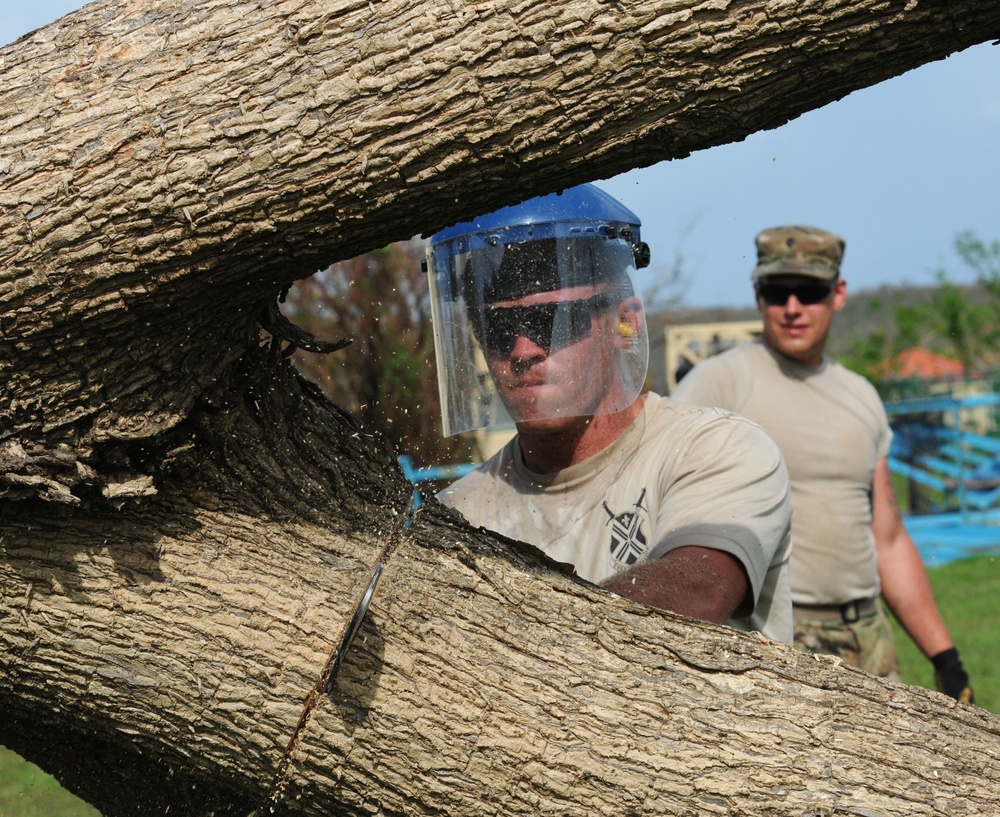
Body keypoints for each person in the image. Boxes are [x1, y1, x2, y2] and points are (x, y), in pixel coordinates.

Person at [425, 183, 794, 643]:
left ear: (626, 322)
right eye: (498, 327)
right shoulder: (459, 511)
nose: (521, 350)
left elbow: (700, 592)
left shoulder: (717, 450)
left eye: (551, 321)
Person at [671, 225, 974, 702]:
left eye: (809, 291)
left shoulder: (863, 398)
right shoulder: (718, 386)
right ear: (757, 295)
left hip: (870, 638)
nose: (793, 307)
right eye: (777, 291)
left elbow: (888, 540)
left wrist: (946, 659)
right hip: (778, 636)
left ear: (838, 294)